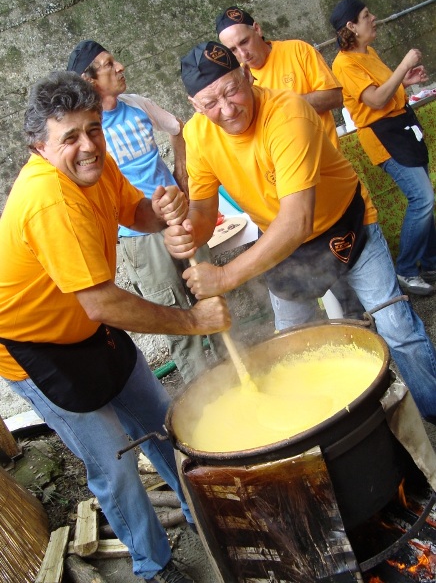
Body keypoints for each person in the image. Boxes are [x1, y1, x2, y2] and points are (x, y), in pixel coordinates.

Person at [0, 71, 231, 583]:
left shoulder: (96, 167)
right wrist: (192, 319)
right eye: (70, 137)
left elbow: (137, 214)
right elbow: (103, 301)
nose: (88, 146)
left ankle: (205, 513)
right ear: (40, 146)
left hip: (89, 329)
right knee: (116, 466)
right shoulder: (50, 201)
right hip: (37, 352)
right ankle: (155, 566)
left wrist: (161, 206)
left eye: (93, 129)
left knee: (168, 426)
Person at [165, 40, 436, 424]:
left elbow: (297, 221)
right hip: (281, 244)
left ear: (246, 75)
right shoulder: (198, 136)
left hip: (344, 224)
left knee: (395, 326)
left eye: (232, 91)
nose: (226, 110)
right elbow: (206, 214)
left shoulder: (287, 112)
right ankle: (322, 428)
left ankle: (433, 411)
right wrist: (188, 230)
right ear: (195, 105)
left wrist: (224, 276)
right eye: (210, 103)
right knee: (292, 347)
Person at [66, 40, 221, 383]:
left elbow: (179, 128)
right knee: (177, 319)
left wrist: (181, 171)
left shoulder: (137, 105)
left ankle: (242, 374)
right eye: (109, 64)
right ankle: (211, 395)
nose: (120, 67)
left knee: (212, 293)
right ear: (89, 80)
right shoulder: (90, 133)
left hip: (179, 217)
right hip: (141, 237)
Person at [215, 5, 364, 322]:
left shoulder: (297, 50)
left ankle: (364, 332)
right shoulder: (236, 84)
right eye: (232, 50)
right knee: (306, 300)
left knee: (350, 280)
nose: (242, 53)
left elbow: (336, 96)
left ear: (258, 28)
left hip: (327, 186)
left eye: (244, 42)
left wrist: (285, 110)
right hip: (279, 202)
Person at [330, 0, 436, 296]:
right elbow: (374, 101)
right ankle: (404, 269)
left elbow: (384, 91)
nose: (373, 18)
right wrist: (404, 65)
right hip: (383, 137)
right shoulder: (344, 64)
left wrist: (404, 81)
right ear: (351, 25)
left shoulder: (369, 52)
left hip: (402, 127)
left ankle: (430, 263)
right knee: (423, 199)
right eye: (366, 15)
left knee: (425, 198)